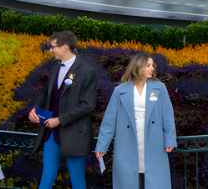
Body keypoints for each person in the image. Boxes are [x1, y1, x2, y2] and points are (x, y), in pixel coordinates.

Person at [28, 31, 100, 189]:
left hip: (74, 134)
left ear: (65, 47)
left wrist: (60, 120)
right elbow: (46, 92)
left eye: (52, 47)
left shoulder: (87, 71)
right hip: (51, 134)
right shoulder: (54, 66)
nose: (50, 50)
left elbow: (88, 105)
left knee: (77, 180)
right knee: (47, 177)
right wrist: (35, 109)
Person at [94, 54, 175, 189]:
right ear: (137, 67)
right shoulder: (120, 90)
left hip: (154, 140)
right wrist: (102, 145)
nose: (152, 68)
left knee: (156, 181)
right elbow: (109, 120)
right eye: (148, 65)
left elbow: (168, 116)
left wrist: (170, 139)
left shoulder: (160, 88)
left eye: (152, 66)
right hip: (127, 139)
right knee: (127, 180)